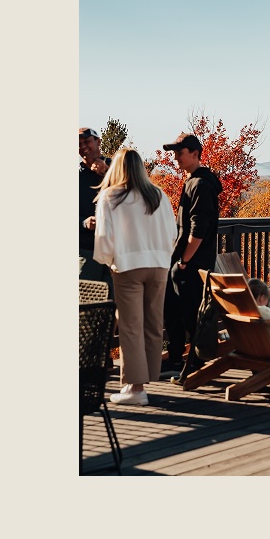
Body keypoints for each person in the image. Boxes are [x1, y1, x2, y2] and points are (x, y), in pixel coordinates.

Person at [93, 147, 178, 406]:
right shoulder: (159, 195)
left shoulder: (111, 197)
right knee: (153, 325)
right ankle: (145, 379)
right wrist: (163, 256)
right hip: (159, 265)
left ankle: (136, 389)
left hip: (129, 266)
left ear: (117, 168)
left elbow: (105, 238)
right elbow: (172, 232)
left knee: (130, 327)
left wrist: (109, 261)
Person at [163, 132, 223, 381]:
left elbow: (198, 229)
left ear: (195, 154)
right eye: (175, 152)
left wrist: (184, 261)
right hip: (188, 264)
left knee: (191, 317)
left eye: (180, 152)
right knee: (176, 311)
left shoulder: (200, 184)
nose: (176, 157)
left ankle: (194, 367)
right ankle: (178, 358)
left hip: (193, 265)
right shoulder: (194, 181)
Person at [78, 127, 111, 293]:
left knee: (116, 306)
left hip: (116, 252)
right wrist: (84, 222)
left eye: (87, 141)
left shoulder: (117, 168)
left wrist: (106, 173)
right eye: (78, 143)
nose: (82, 146)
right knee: (87, 306)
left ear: (98, 141)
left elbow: (135, 194)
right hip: (87, 251)